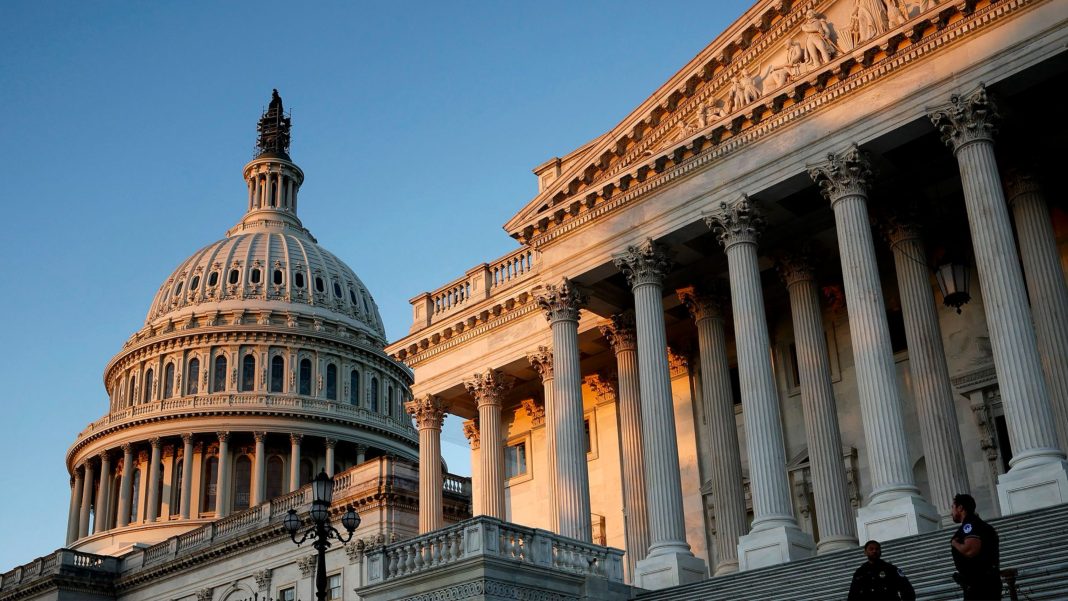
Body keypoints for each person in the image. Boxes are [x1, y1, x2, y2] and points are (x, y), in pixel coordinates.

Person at [950, 493, 1002, 600]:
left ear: (960, 508)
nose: (951, 512)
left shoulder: (969, 525)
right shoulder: (980, 525)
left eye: (952, 507)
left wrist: (955, 543)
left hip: (979, 586)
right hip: (986, 583)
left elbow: (970, 550)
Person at [847, 540, 916, 600]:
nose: (874, 551)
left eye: (877, 549)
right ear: (865, 552)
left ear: (880, 552)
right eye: (871, 549)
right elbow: (853, 595)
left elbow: (907, 590)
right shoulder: (860, 572)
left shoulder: (891, 569)